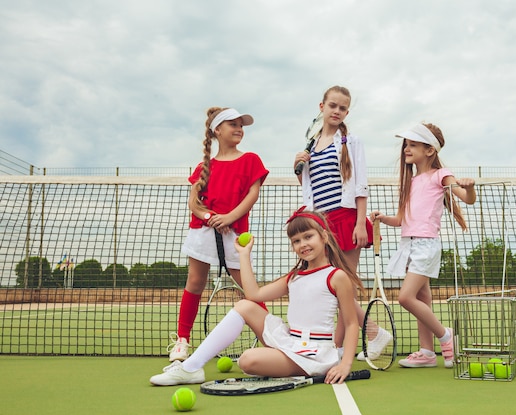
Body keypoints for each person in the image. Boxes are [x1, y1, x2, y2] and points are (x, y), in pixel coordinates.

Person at [150, 208, 362, 385]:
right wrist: (244, 255)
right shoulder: (294, 277)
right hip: (290, 340)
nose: (303, 244)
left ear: (324, 236)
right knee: (244, 305)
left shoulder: (337, 276)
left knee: (247, 360)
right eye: (296, 241)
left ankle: (304, 366)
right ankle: (191, 367)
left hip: (314, 353)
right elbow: (254, 294)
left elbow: (352, 323)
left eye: (308, 237)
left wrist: (344, 364)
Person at [293, 85, 391, 361]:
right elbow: (312, 190)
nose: (337, 111)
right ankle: (337, 347)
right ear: (321, 106)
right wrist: (298, 168)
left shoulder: (352, 141)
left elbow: (360, 186)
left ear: (346, 112)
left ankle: (371, 334)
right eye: (332, 105)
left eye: (343, 107)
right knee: (333, 288)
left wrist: (361, 224)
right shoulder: (311, 146)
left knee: (340, 288)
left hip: (346, 219)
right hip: (321, 225)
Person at [370, 122, 476, 368]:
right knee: (422, 298)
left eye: (413, 144)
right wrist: (382, 218)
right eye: (406, 144)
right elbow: (400, 220)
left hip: (426, 246)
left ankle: (446, 337)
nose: (406, 148)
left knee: (406, 298)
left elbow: (467, 199)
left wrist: (470, 189)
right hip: (409, 245)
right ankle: (427, 353)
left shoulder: (441, 174)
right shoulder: (410, 182)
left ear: (430, 150)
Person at [168, 107, 269, 362]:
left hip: (235, 235)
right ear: (217, 130)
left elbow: (252, 194)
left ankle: (274, 339)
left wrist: (230, 217)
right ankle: (182, 341)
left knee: (250, 290)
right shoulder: (205, 166)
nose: (239, 129)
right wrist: (211, 219)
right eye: (232, 124)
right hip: (203, 232)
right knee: (194, 283)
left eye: (241, 125)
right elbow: (194, 203)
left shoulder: (251, 160)